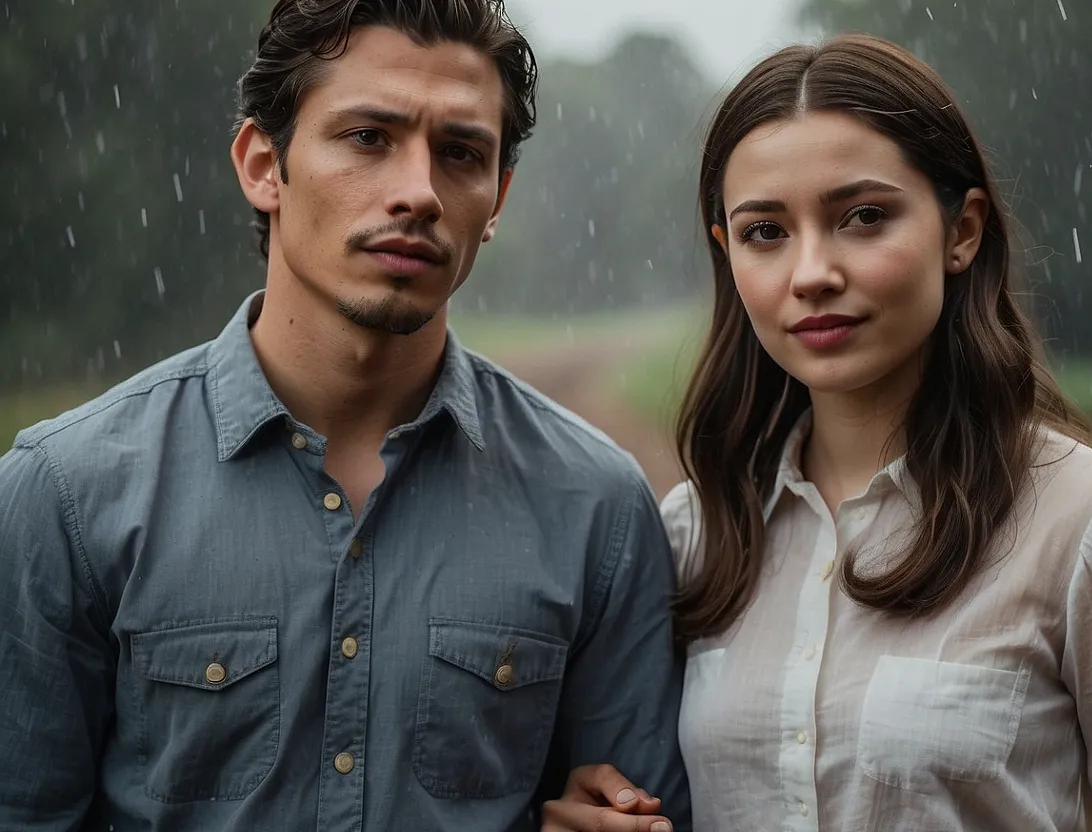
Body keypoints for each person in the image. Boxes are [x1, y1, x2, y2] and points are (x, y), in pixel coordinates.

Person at [0, 1, 691, 830]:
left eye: (461, 153)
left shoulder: (601, 510)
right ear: (264, 164)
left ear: (497, 196)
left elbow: (638, 810)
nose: (419, 193)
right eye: (369, 137)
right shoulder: (63, 494)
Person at [548, 34, 1092, 831]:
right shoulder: (693, 536)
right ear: (726, 252)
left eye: (863, 217)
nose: (811, 273)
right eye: (765, 231)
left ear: (962, 231)